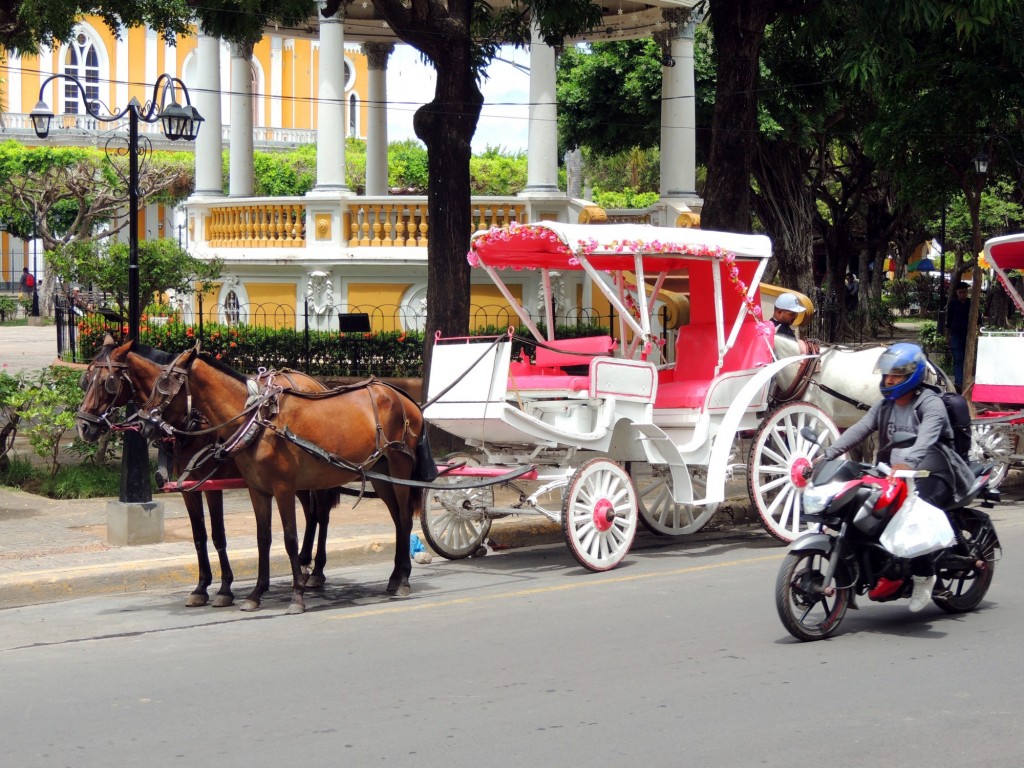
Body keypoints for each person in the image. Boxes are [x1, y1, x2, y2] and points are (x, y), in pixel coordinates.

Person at [818, 342, 975, 612]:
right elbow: (861, 428)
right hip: (893, 474)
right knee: (859, 507)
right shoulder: (885, 404)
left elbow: (927, 437)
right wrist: (827, 455)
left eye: (897, 376)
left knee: (911, 514)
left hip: (934, 474)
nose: (889, 380)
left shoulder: (931, 403)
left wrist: (908, 463)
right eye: (887, 375)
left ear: (912, 376)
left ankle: (924, 575)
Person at [946, 281, 970, 393]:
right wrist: (947, 336)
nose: (962, 294)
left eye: (964, 292)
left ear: (967, 292)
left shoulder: (971, 303)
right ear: (957, 292)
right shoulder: (952, 304)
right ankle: (959, 383)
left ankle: (966, 383)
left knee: (967, 360)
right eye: (960, 292)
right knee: (958, 359)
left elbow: (978, 320)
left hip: (968, 336)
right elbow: (948, 321)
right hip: (955, 335)